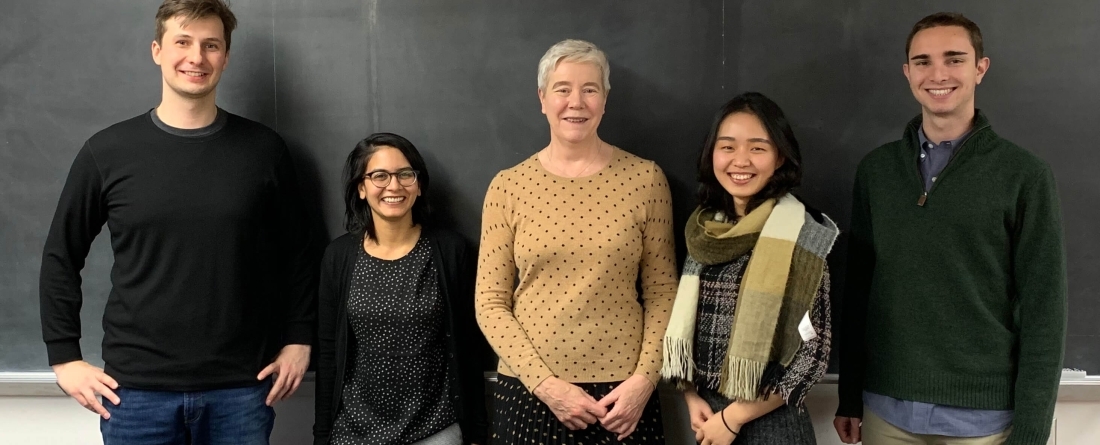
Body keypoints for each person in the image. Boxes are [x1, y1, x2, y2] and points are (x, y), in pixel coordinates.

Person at [38, 0, 314, 443]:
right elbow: (60, 257)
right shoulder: (106, 152)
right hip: (136, 394)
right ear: (157, 51)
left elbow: (299, 253)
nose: (196, 57)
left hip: (241, 391)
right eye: (182, 42)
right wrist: (64, 358)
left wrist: (300, 340)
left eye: (211, 45)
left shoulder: (264, 151)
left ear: (226, 56)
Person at [834, 12, 1067, 445]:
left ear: (980, 67)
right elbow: (859, 292)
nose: (937, 74)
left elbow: (1045, 313)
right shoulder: (877, 171)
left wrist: (1031, 433)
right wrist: (849, 396)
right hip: (887, 411)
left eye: (954, 59)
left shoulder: (1024, 175)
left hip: (983, 421)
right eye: (922, 62)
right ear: (907, 73)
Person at [474, 39, 679, 444]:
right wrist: (547, 384)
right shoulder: (508, 187)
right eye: (562, 88)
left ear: (605, 100)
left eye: (590, 89)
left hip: (623, 399)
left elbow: (662, 293)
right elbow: (490, 302)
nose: (576, 102)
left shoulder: (646, 179)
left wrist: (644, 381)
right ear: (542, 98)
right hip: (531, 391)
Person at [661, 92, 838, 445]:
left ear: (779, 157)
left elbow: (812, 354)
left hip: (772, 422)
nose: (740, 160)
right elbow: (688, 330)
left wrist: (734, 418)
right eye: (727, 147)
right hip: (707, 420)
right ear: (712, 153)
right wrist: (691, 395)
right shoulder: (705, 230)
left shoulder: (804, 235)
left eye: (758, 148)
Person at [314, 133, 491, 445]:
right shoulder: (339, 256)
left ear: (419, 185)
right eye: (379, 175)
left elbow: (469, 346)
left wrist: (476, 432)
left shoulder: (450, 252)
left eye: (405, 174)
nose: (394, 186)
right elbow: (330, 352)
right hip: (354, 433)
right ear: (361, 187)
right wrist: (321, 435)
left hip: (435, 430)